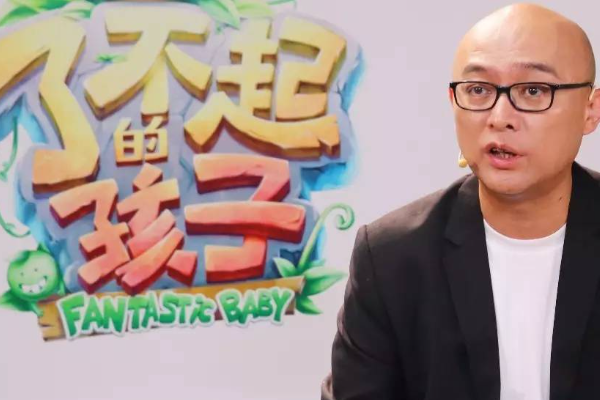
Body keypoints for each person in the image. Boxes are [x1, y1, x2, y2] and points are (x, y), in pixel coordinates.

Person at [321, 3, 600, 400]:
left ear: (590, 110)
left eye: (533, 90)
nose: (500, 117)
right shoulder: (391, 257)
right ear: (453, 101)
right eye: (479, 90)